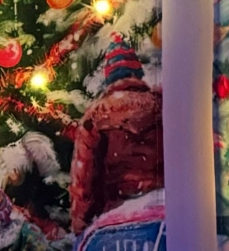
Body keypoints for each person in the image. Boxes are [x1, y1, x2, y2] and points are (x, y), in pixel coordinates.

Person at [69, 35, 164, 234]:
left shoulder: (95, 116)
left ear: (109, 78)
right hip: (162, 205)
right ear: (137, 73)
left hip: (117, 217)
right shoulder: (161, 104)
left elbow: (84, 180)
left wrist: (81, 225)